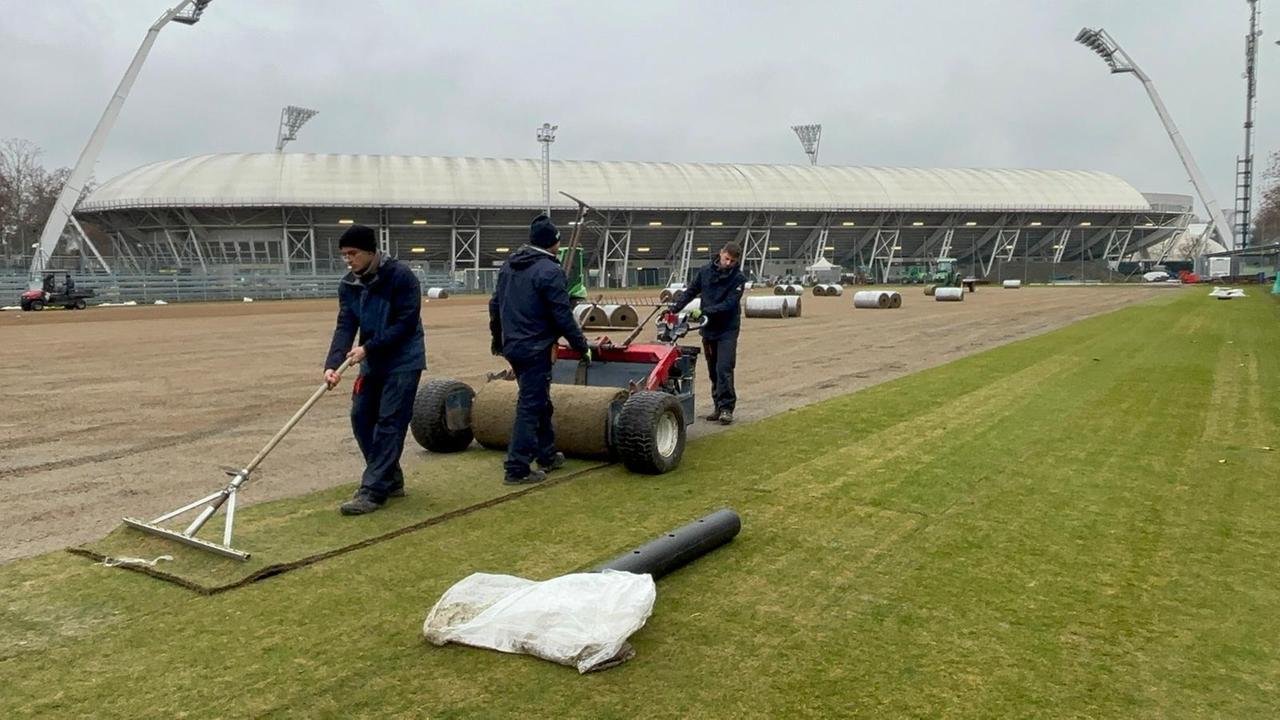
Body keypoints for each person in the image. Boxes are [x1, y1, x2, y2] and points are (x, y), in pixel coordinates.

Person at [323, 224, 426, 515]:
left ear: (370, 251)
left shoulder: (400, 277)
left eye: (353, 253)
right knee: (361, 418)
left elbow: (406, 323)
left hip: (403, 361)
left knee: (390, 423)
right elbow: (345, 324)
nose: (348, 259)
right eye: (344, 254)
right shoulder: (349, 284)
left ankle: (373, 490)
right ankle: (389, 478)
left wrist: (368, 348)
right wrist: (332, 365)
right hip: (372, 361)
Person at [489, 214, 591, 485]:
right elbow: (562, 316)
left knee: (539, 400)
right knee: (531, 406)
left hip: (513, 345)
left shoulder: (509, 266)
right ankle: (517, 468)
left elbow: (495, 305)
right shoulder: (550, 271)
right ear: (552, 243)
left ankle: (547, 454)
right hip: (536, 348)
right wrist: (582, 346)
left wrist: (498, 340)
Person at [671, 241, 746, 425]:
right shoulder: (705, 272)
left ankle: (727, 408)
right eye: (727, 259)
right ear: (721, 253)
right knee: (713, 370)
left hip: (727, 329)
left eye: (732, 261)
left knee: (724, 368)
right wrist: (673, 309)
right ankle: (717, 406)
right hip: (709, 329)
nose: (728, 263)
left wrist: (705, 311)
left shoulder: (738, 279)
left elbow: (730, 304)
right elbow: (690, 292)